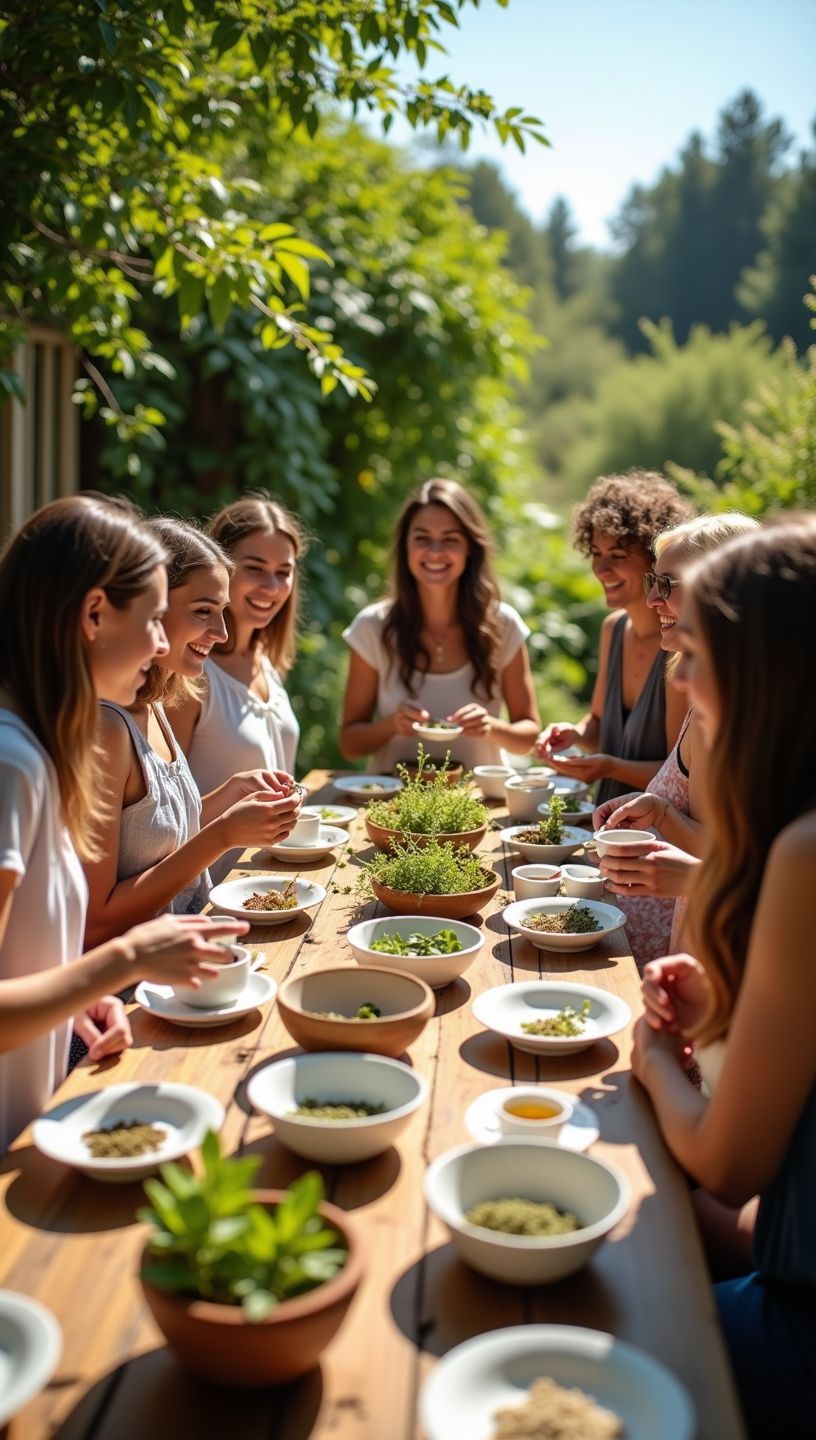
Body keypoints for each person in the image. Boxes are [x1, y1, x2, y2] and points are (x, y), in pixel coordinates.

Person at [632, 519, 816, 1437]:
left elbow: (727, 1161)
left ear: (767, 669)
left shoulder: (805, 853)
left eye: (695, 652)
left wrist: (653, 1055)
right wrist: (721, 1014)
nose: (680, 677)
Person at [0, 497, 246, 1153]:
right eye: (154, 620)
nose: (165, 644)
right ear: (93, 615)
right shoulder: (12, 763)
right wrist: (126, 959)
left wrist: (78, 999)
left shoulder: (38, 751)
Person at [85, 517, 302, 947]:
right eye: (203, 611)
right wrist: (224, 834)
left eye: (222, 612)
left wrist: (228, 796)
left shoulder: (156, 702)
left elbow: (150, 834)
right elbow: (99, 920)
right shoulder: (107, 729)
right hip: (138, 989)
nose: (221, 632)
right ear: (148, 606)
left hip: (193, 957)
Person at [591, 513, 759, 965]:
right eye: (652, 581)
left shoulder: (730, 708)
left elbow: (731, 857)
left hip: (714, 956)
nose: (651, 599)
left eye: (667, 584)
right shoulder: (719, 689)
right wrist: (660, 812)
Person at [339, 479, 540, 772]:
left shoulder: (503, 624)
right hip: (392, 808)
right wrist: (390, 725)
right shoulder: (372, 628)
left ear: (470, 548)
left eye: (450, 539)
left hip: (483, 807)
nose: (435, 551)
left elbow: (529, 736)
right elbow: (349, 745)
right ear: (406, 546)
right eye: (422, 538)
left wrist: (491, 726)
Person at [535, 470, 693, 807]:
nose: (602, 569)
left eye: (618, 556)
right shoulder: (614, 629)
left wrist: (608, 767)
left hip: (654, 834)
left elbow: (677, 770)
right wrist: (574, 733)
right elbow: (598, 725)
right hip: (603, 823)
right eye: (596, 552)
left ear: (654, 560)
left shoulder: (677, 648)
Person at [170, 495, 305, 885]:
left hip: (269, 885)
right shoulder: (191, 675)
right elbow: (162, 821)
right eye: (255, 568)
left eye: (284, 572)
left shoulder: (267, 660)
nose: (271, 586)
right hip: (208, 898)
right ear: (222, 569)